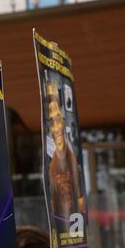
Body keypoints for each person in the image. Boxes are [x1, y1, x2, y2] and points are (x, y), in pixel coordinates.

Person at [47, 83, 85, 234]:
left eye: (58, 119)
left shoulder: (72, 156)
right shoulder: (50, 162)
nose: (56, 128)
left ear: (63, 121)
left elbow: (80, 198)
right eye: (51, 122)